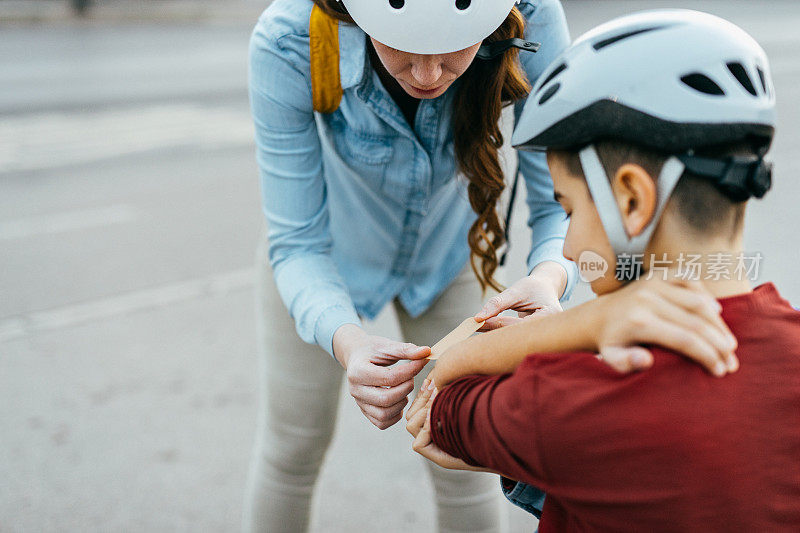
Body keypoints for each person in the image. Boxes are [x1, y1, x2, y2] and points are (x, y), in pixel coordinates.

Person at [244, 1, 739, 531]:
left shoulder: (532, 16)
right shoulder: (290, 39)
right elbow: (296, 242)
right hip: (324, 265)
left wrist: (549, 281)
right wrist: (349, 342)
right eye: (403, 48)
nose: (429, 74)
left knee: (462, 454)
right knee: (293, 448)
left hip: (448, 256)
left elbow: (559, 200)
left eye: (452, 47)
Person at [407, 9, 800, 532]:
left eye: (569, 209)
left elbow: (442, 394)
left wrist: (581, 325)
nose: (568, 247)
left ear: (633, 198)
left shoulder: (572, 397)